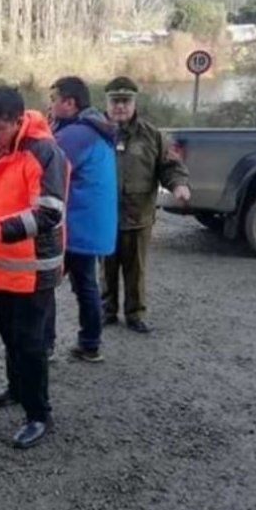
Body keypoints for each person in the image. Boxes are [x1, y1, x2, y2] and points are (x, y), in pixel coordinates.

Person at [0, 86, 68, 449]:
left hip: (34, 266)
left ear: (18, 122)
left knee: (31, 343)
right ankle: (16, 389)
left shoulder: (42, 152)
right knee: (9, 335)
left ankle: (39, 415)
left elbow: (49, 213)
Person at [100, 77, 190, 333]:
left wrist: (178, 184)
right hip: (104, 216)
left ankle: (135, 313)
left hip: (138, 216)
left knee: (136, 269)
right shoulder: (96, 133)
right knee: (106, 268)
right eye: (115, 101)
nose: (120, 106)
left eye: (125, 101)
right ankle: (106, 310)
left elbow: (170, 166)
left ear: (134, 103)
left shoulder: (153, 135)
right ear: (106, 103)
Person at [44, 76, 117, 363]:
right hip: (90, 225)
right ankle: (90, 344)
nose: (50, 105)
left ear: (69, 103)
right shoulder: (93, 127)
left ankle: (44, 346)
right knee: (86, 285)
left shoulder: (76, 135)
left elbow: (44, 166)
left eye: (54, 99)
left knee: (45, 285)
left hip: (75, 225)